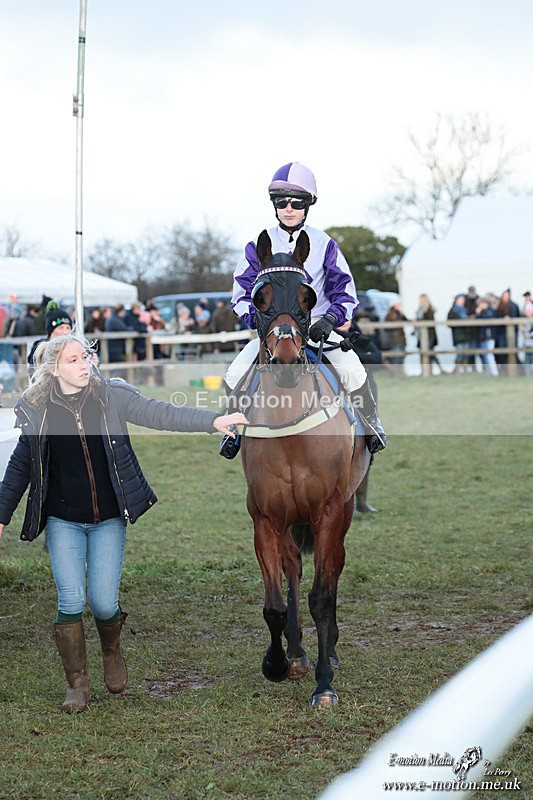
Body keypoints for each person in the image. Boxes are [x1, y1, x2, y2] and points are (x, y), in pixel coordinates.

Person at [0, 333, 247, 712]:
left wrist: (213, 420)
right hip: (63, 520)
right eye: (74, 360)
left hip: (108, 519)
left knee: (102, 602)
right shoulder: (39, 409)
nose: (85, 365)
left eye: (86, 357)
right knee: (70, 599)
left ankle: (111, 648)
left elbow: (161, 413)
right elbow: (20, 468)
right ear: (53, 369)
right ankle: (77, 686)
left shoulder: (111, 395)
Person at [219, 162, 386, 459]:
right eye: (281, 202)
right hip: (270, 327)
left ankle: (371, 424)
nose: (289, 208)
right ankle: (233, 434)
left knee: (353, 371)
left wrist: (331, 319)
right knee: (234, 374)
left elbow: (345, 292)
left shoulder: (325, 244)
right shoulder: (256, 245)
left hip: (317, 322)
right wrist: (257, 320)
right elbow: (240, 294)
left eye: (297, 202)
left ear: (308, 205)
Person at [27, 300, 73, 376]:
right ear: (51, 331)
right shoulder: (40, 349)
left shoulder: (76, 348)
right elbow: (34, 375)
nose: (65, 332)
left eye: (68, 328)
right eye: (60, 328)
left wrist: (93, 365)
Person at [494, 289, 520, 375]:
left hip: (512, 333)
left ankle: (515, 371)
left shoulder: (513, 306)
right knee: (502, 352)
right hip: (501, 333)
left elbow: (517, 317)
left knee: (512, 352)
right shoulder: (499, 306)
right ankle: (504, 371)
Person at [415, 294, 441, 374]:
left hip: (429, 335)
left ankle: (430, 370)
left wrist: (419, 322)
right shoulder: (419, 310)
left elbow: (429, 321)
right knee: (425, 353)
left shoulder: (429, 310)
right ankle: (425, 370)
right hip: (421, 335)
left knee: (429, 353)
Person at [475, 297, 499, 376]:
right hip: (483, 336)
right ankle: (489, 373)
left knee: (489, 355)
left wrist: (479, 313)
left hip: (489, 336)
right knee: (485, 356)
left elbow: (487, 320)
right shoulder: (484, 311)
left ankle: (494, 373)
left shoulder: (489, 311)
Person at [447, 295, 471, 373]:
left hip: (466, 335)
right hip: (458, 336)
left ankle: (465, 370)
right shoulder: (453, 311)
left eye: (462, 300)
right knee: (460, 353)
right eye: (460, 300)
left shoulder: (465, 310)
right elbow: (449, 323)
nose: (462, 302)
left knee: (466, 353)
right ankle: (456, 370)